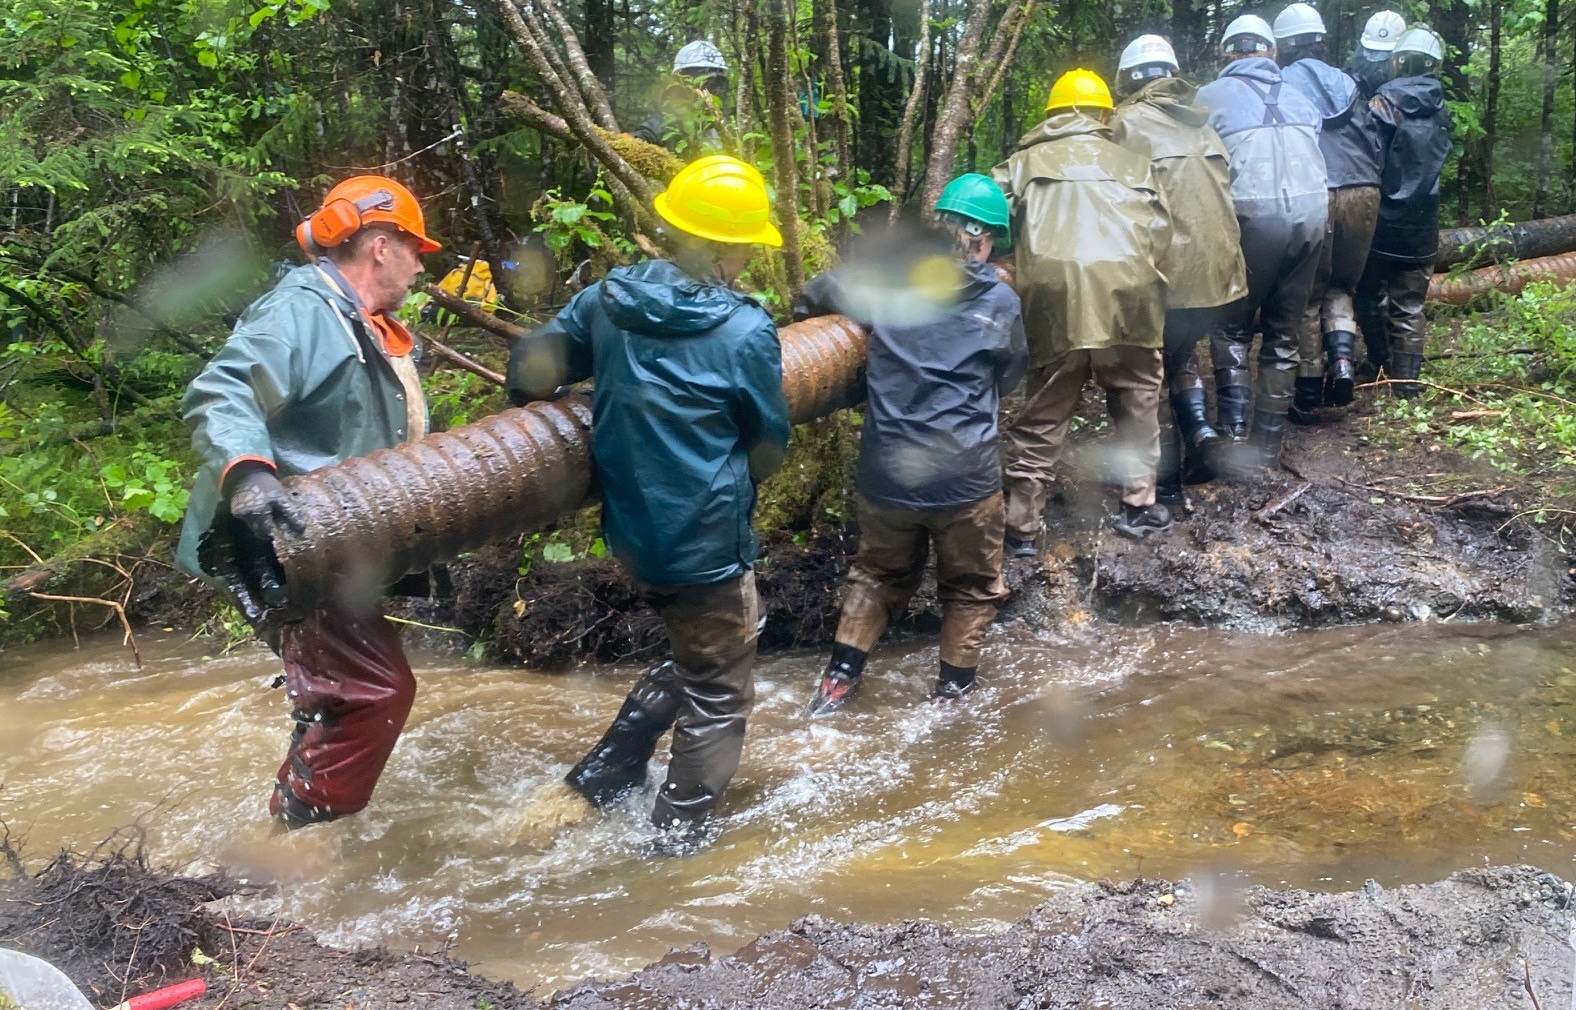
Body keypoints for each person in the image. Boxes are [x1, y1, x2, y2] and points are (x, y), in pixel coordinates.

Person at [507, 155, 791, 854]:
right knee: (722, 692)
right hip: (705, 542)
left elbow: (529, 372)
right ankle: (674, 842)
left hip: (633, 533)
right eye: (747, 243)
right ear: (726, 248)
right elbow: (769, 442)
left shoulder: (609, 301)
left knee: (705, 649)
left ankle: (606, 772)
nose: (750, 254)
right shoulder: (746, 331)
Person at [178, 175, 441, 826]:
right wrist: (250, 477)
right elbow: (222, 390)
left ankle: (292, 820)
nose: (421, 261)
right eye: (415, 247)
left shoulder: (358, 321)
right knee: (377, 691)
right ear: (380, 245)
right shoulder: (304, 311)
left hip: (327, 543)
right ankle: (296, 841)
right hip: (284, 543)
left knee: (338, 694)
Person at [799, 177, 1027, 715]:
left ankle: (837, 683)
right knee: (971, 587)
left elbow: (814, 293)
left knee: (877, 574)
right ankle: (953, 696)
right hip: (965, 479)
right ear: (986, 240)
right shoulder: (1000, 299)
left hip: (888, 473)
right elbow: (1011, 373)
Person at [994, 69, 1172, 550]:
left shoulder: (1020, 164)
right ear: (1103, 115)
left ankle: (1022, 525)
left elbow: (991, 221)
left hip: (1058, 298)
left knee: (1044, 410)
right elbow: (1161, 234)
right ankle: (1138, 506)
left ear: (1052, 116)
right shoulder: (1135, 164)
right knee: (1137, 398)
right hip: (1129, 293)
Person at [1109, 33, 1247, 504]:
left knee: (1142, 373)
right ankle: (1203, 434)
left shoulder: (1124, 123)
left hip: (1169, 275)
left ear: (1128, 79)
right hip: (1218, 275)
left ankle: (1161, 484)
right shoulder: (1202, 123)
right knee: (1180, 355)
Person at [1194, 14, 1328, 473]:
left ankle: (1233, 435)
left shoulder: (1208, 97)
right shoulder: (1301, 95)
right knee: (1283, 330)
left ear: (1226, 54)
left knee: (1230, 325)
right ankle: (1268, 444)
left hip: (1251, 216)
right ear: (1271, 52)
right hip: (1313, 214)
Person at [1275, 3, 1381, 412]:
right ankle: (1342, 364)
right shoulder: (1348, 83)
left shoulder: (1280, 86)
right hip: (1363, 190)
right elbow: (1372, 140)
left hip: (1315, 191)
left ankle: (1306, 389)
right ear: (1320, 41)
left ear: (1283, 45)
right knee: (1342, 287)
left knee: (1308, 294)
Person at [1355, 27, 1452, 401]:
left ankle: (1379, 361)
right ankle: (1406, 386)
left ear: (1399, 60)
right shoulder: (1441, 108)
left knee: (1366, 292)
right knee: (1410, 304)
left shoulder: (1383, 103)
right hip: (1423, 222)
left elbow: (1367, 155)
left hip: (1382, 220)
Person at [1350, 9, 1407, 95]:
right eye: (1372, 52)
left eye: (1386, 56)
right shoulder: (1350, 84)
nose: (1379, 66)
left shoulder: (1409, 90)